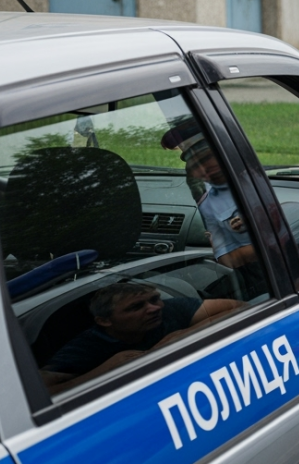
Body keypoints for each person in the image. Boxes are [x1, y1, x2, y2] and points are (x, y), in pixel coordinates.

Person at [40, 282, 242, 393]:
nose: (153, 308)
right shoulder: (85, 348)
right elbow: (42, 394)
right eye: (136, 307)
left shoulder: (169, 310)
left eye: (155, 299)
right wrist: (104, 371)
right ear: (104, 321)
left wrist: (178, 337)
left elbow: (238, 308)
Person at [161, 120, 255, 270]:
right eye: (193, 164)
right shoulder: (206, 198)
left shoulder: (252, 180)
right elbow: (227, 259)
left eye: (207, 157)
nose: (203, 170)